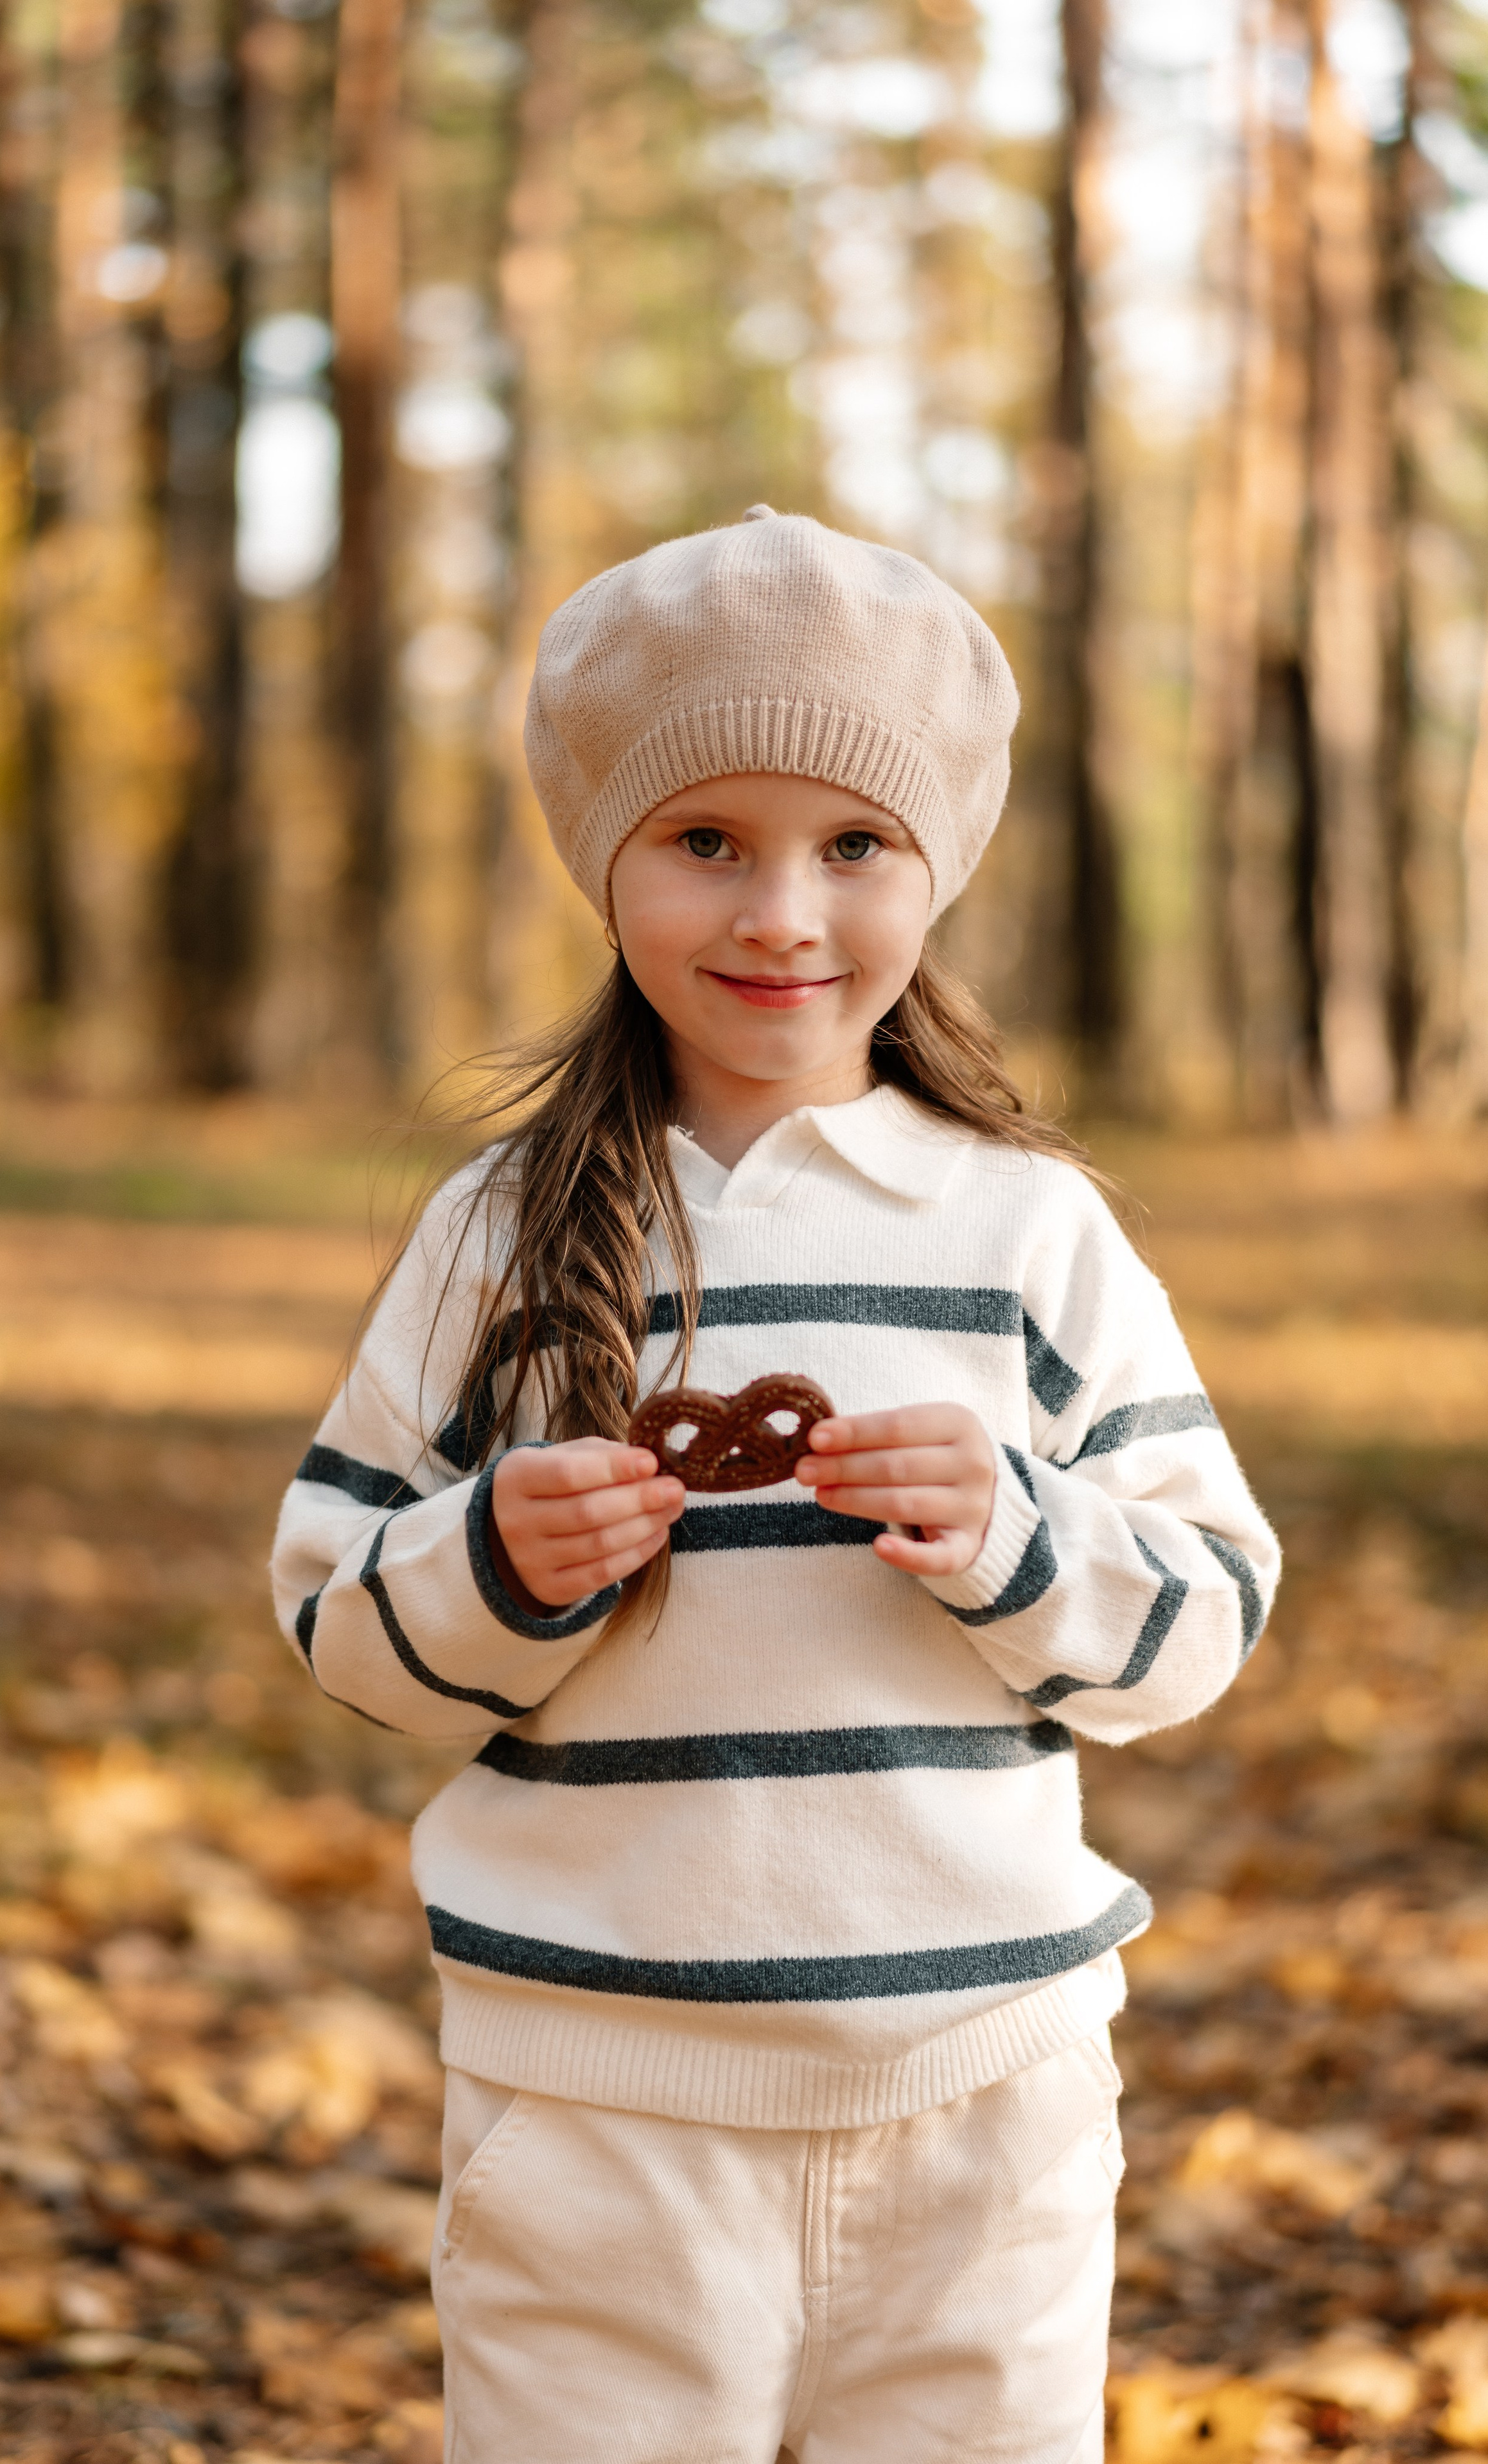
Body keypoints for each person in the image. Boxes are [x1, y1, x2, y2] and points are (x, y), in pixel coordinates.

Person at [271, 505, 1279, 2464]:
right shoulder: (498, 1234)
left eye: (856, 847)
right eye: (707, 842)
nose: (782, 917)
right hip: (598, 2096)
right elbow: (338, 1612)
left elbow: (1204, 1617)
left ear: (939, 866)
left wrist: (1018, 1539)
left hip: (982, 2095)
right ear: (607, 858)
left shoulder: (1026, 1230)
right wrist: (495, 1565)